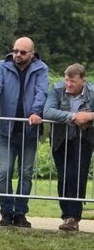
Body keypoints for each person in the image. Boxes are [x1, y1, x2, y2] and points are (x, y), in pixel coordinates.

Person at [0, 36, 49, 228]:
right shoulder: (1, 66)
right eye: (15, 51)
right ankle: (5, 212)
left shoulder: (41, 69)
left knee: (26, 173)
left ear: (32, 54)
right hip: (6, 130)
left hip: (30, 131)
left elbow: (41, 92)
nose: (17, 55)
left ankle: (20, 213)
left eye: (22, 52)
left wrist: (36, 112)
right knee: (4, 172)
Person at [42, 63, 94, 232]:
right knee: (64, 177)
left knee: (77, 176)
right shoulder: (56, 89)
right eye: (66, 80)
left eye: (72, 81)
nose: (68, 84)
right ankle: (66, 215)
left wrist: (89, 116)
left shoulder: (92, 93)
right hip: (61, 140)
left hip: (83, 140)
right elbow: (48, 111)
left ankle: (73, 218)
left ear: (82, 82)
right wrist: (73, 116)